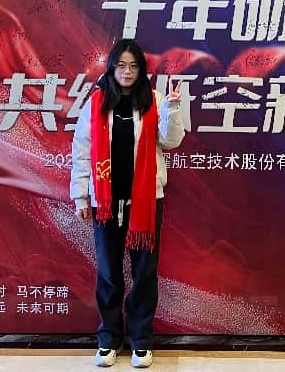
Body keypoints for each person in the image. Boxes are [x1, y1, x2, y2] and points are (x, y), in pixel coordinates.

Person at [71, 38, 185, 369]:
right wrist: (80, 195)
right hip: (105, 203)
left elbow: (171, 141)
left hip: (146, 202)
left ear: (141, 70)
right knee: (108, 272)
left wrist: (172, 108)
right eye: (121, 65)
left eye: (134, 66)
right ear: (111, 67)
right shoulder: (96, 103)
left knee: (144, 273)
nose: (127, 72)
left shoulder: (155, 100)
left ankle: (141, 341)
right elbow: (82, 151)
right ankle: (108, 339)